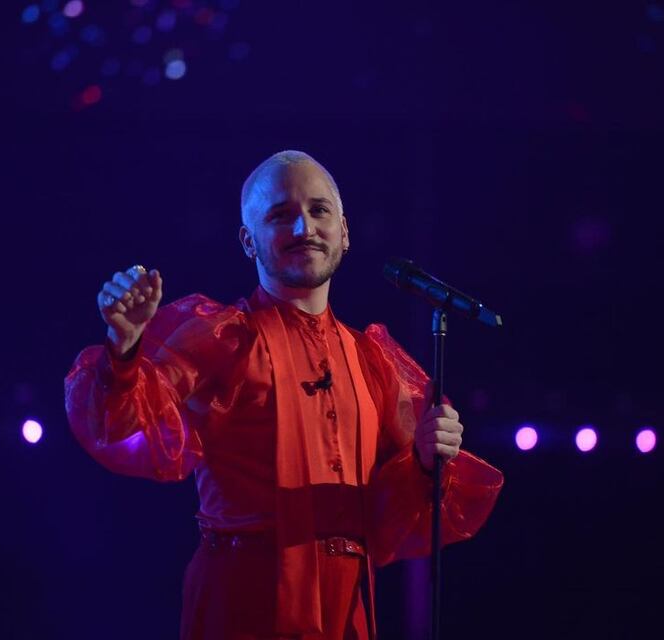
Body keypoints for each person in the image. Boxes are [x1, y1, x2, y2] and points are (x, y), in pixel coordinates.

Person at [64, 150, 503, 639]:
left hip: (347, 613)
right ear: (248, 241)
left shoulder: (371, 359)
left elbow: (384, 522)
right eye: (280, 215)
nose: (304, 228)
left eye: (319, 211)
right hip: (245, 605)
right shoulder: (221, 338)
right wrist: (124, 349)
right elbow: (123, 424)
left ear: (345, 230)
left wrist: (424, 461)